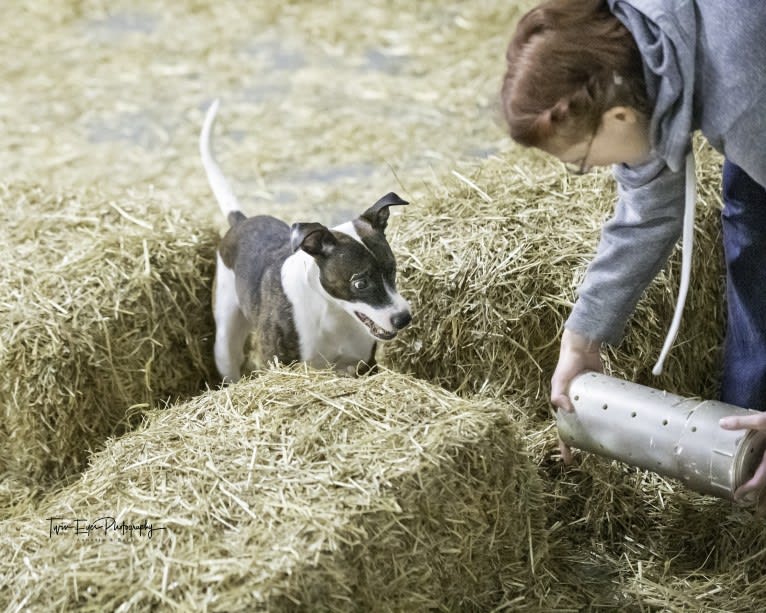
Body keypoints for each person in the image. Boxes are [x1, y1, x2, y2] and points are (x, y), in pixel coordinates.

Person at [500, 0, 766, 491]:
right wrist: (582, 337)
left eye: (581, 161)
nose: (592, 170)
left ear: (619, 116)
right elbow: (648, 204)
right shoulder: (631, 58)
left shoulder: (746, 101)